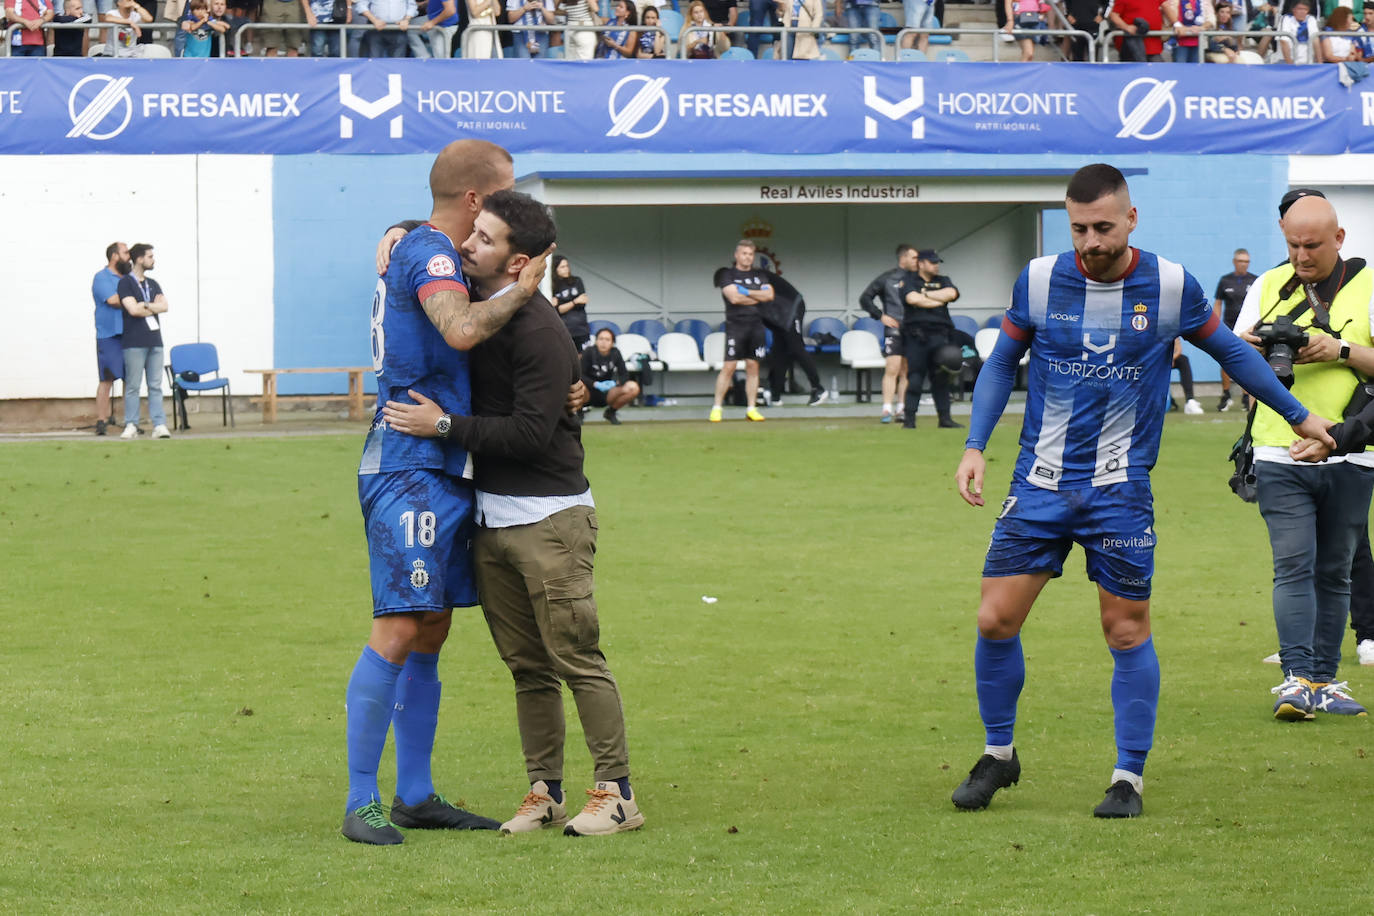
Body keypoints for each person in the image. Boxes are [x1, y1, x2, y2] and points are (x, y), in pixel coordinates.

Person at [951, 164, 1332, 818]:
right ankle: (999, 755)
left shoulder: (1171, 284)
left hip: (1119, 491)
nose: (1091, 241)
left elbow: (1231, 354)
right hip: (1039, 483)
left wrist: (1299, 415)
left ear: (1131, 219)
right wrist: (974, 446)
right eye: (1079, 229)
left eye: (1103, 226)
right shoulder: (1040, 281)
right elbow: (1000, 363)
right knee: (994, 619)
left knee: (1125, 630)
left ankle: (1128, 777)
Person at [383, 190, 646, 838]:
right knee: (527, 667)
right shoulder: (482, 313)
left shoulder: (539, 329)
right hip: (493, 520)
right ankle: (545, 792)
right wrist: (396, 235)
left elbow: (531, 434)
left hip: (550, 519)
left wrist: (441, 425)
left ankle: (617, 795)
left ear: (518, 260)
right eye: (471, 233)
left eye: (484, 239)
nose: (466, 246)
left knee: (577, 658)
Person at [341, 139, 556, 846]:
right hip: (409, 461)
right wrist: (527, 290)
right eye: (500, 196)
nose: (504, 208)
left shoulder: (419, 244)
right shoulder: (431, 253)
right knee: (401, 625)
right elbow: (460, 329)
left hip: (444, 463)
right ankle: (362, 802)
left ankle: (415, 794)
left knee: (431, 626)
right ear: (474, 201)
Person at [1233, 189, 1374, 721]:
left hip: (1352, 450)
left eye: (1311, 245)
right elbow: (1233, 362)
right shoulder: (1267, 285)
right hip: (1280, 448)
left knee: (1335, 571)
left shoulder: (1368, 283)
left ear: (1339, 238)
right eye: (1292, 245)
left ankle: (1324, 679)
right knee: (1293, 566)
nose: (1300, 256)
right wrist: (1252, 352)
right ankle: (1296, 680)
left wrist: (1338, 349)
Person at [709, 239, 771, 423]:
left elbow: (769, 295)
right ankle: (717, 408)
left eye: (750, 254)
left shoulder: (760, 275)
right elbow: (734, 298)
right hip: (736, 326)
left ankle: (751, 408)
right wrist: (756, 296)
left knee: (753, 367)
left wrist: (746, 292)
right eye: (744, 253)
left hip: (756, 326)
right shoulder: (727, 275)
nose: (747, 257)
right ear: (736, 255)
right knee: (729, 366)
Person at [901, 249, 962, 429]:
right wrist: (938, 298)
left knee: (942, 378)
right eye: (932, 262)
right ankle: (909, 420)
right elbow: (912, 299)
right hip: (916, 337)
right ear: (921, 263)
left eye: (937, 263)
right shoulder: (910, 281)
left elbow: (952, 294)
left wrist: (925, 295)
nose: (936, 266)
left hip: (941, 335)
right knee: (915, 379)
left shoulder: (943, 280)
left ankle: (945, 419)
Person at [116, 244, 171, 441]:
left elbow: (164, 306)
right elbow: (133, 310)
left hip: (155, 341)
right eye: (149, 256)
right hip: (134, 342)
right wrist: (151, 307)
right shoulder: (125, 284)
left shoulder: (153, 283)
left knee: (155, 385)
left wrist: (146, 305)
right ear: (139, 259)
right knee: (133, 385)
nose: (153, 260)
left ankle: (159, 424)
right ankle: (131, 424)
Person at [858, 244, 916, 424]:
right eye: (913, 257)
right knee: (893, 367)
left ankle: (902, 409)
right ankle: (886, 408)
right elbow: (865, 298)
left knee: (908, 370)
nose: (917, 261)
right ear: (903, 258)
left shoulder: (919, 278)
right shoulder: (887, 278)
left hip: (915, 329)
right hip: (894, 328)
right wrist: (880, 316)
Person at [92, 242, 128, 437]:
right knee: (107, 379)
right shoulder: (102, 277)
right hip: (109, 335)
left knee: (130, 379)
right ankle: (101, 420)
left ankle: (129, 421)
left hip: (129, 334)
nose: (128, 257)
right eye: (125, 253)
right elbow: (113, 301)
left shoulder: (128, 277)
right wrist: (132, 299)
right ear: (114, 256)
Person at [1213, 248, 1256, 410]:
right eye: (1241, 261)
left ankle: (1246, 396)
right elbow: (1218, 303)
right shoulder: (1225, 281)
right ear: (1234, 262)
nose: (1244, 264)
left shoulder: (1255, 281)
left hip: (1248, 329)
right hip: (1228, 327)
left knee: (1248, 361)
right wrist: (1216, 326)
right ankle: (1226, 395)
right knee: (1225, 360)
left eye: (1247, 261)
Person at [581, 328, 640, 424]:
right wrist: (595, 384)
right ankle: (579, 413)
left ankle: (611, 412)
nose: (603, 342)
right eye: (601, 339)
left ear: (612, 343)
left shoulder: (615, 353)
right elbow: (579, 375)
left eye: (607, 340)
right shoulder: (588, 352)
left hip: (607, 392)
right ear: (596, 341)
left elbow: (624, 374)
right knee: (578, 386)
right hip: (588, 391)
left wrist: (615, 383)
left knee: (633, 387)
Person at [551, 255, 591, 350]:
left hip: (581, 328)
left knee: (582, 357)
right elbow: (558, 310)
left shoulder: (576, 281)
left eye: (567, 266)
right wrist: (575, 301)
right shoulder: (553, 285)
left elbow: (583, 302)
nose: (566, 269)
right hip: (564, 329)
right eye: (562, 267)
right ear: (555, 269)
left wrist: (565, 304)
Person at [1168, 339, 1204, 414]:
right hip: (1151, 359)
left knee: (1183, 360)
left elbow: (1178, 349)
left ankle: (1190, 400)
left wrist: (1171, 358)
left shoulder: (1170, 328)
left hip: (1167, 358)